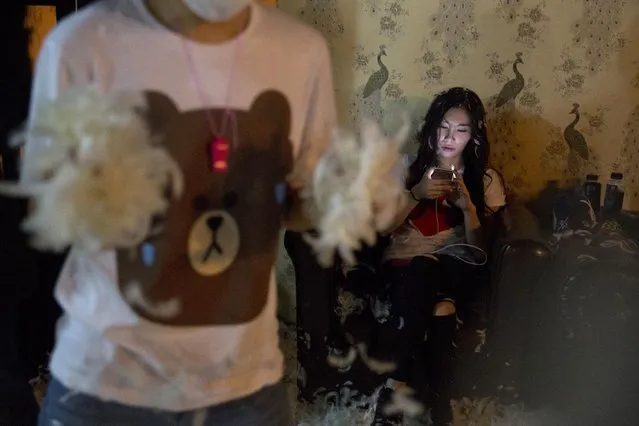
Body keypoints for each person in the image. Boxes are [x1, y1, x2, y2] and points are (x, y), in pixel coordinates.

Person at [24, 1, 336, 425]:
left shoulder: (301, 53)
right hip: (105, 383)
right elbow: (47, 207)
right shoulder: (80, 44)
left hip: (244, 385)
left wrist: (346, 203)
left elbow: (303, 201)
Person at [337, 87, 506, 426]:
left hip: (453, 268)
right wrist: (416, 194)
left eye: (461, 130)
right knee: (441, 307)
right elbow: (380, 231)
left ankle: (394, 387)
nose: (449, 137)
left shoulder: (485, 180)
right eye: (443, 127)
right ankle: (440, 404)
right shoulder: (402, 170)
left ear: (473, 137)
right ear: (431, 128)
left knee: (431, 270)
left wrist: (469, 208)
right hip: (403, 271)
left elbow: (480, 254)